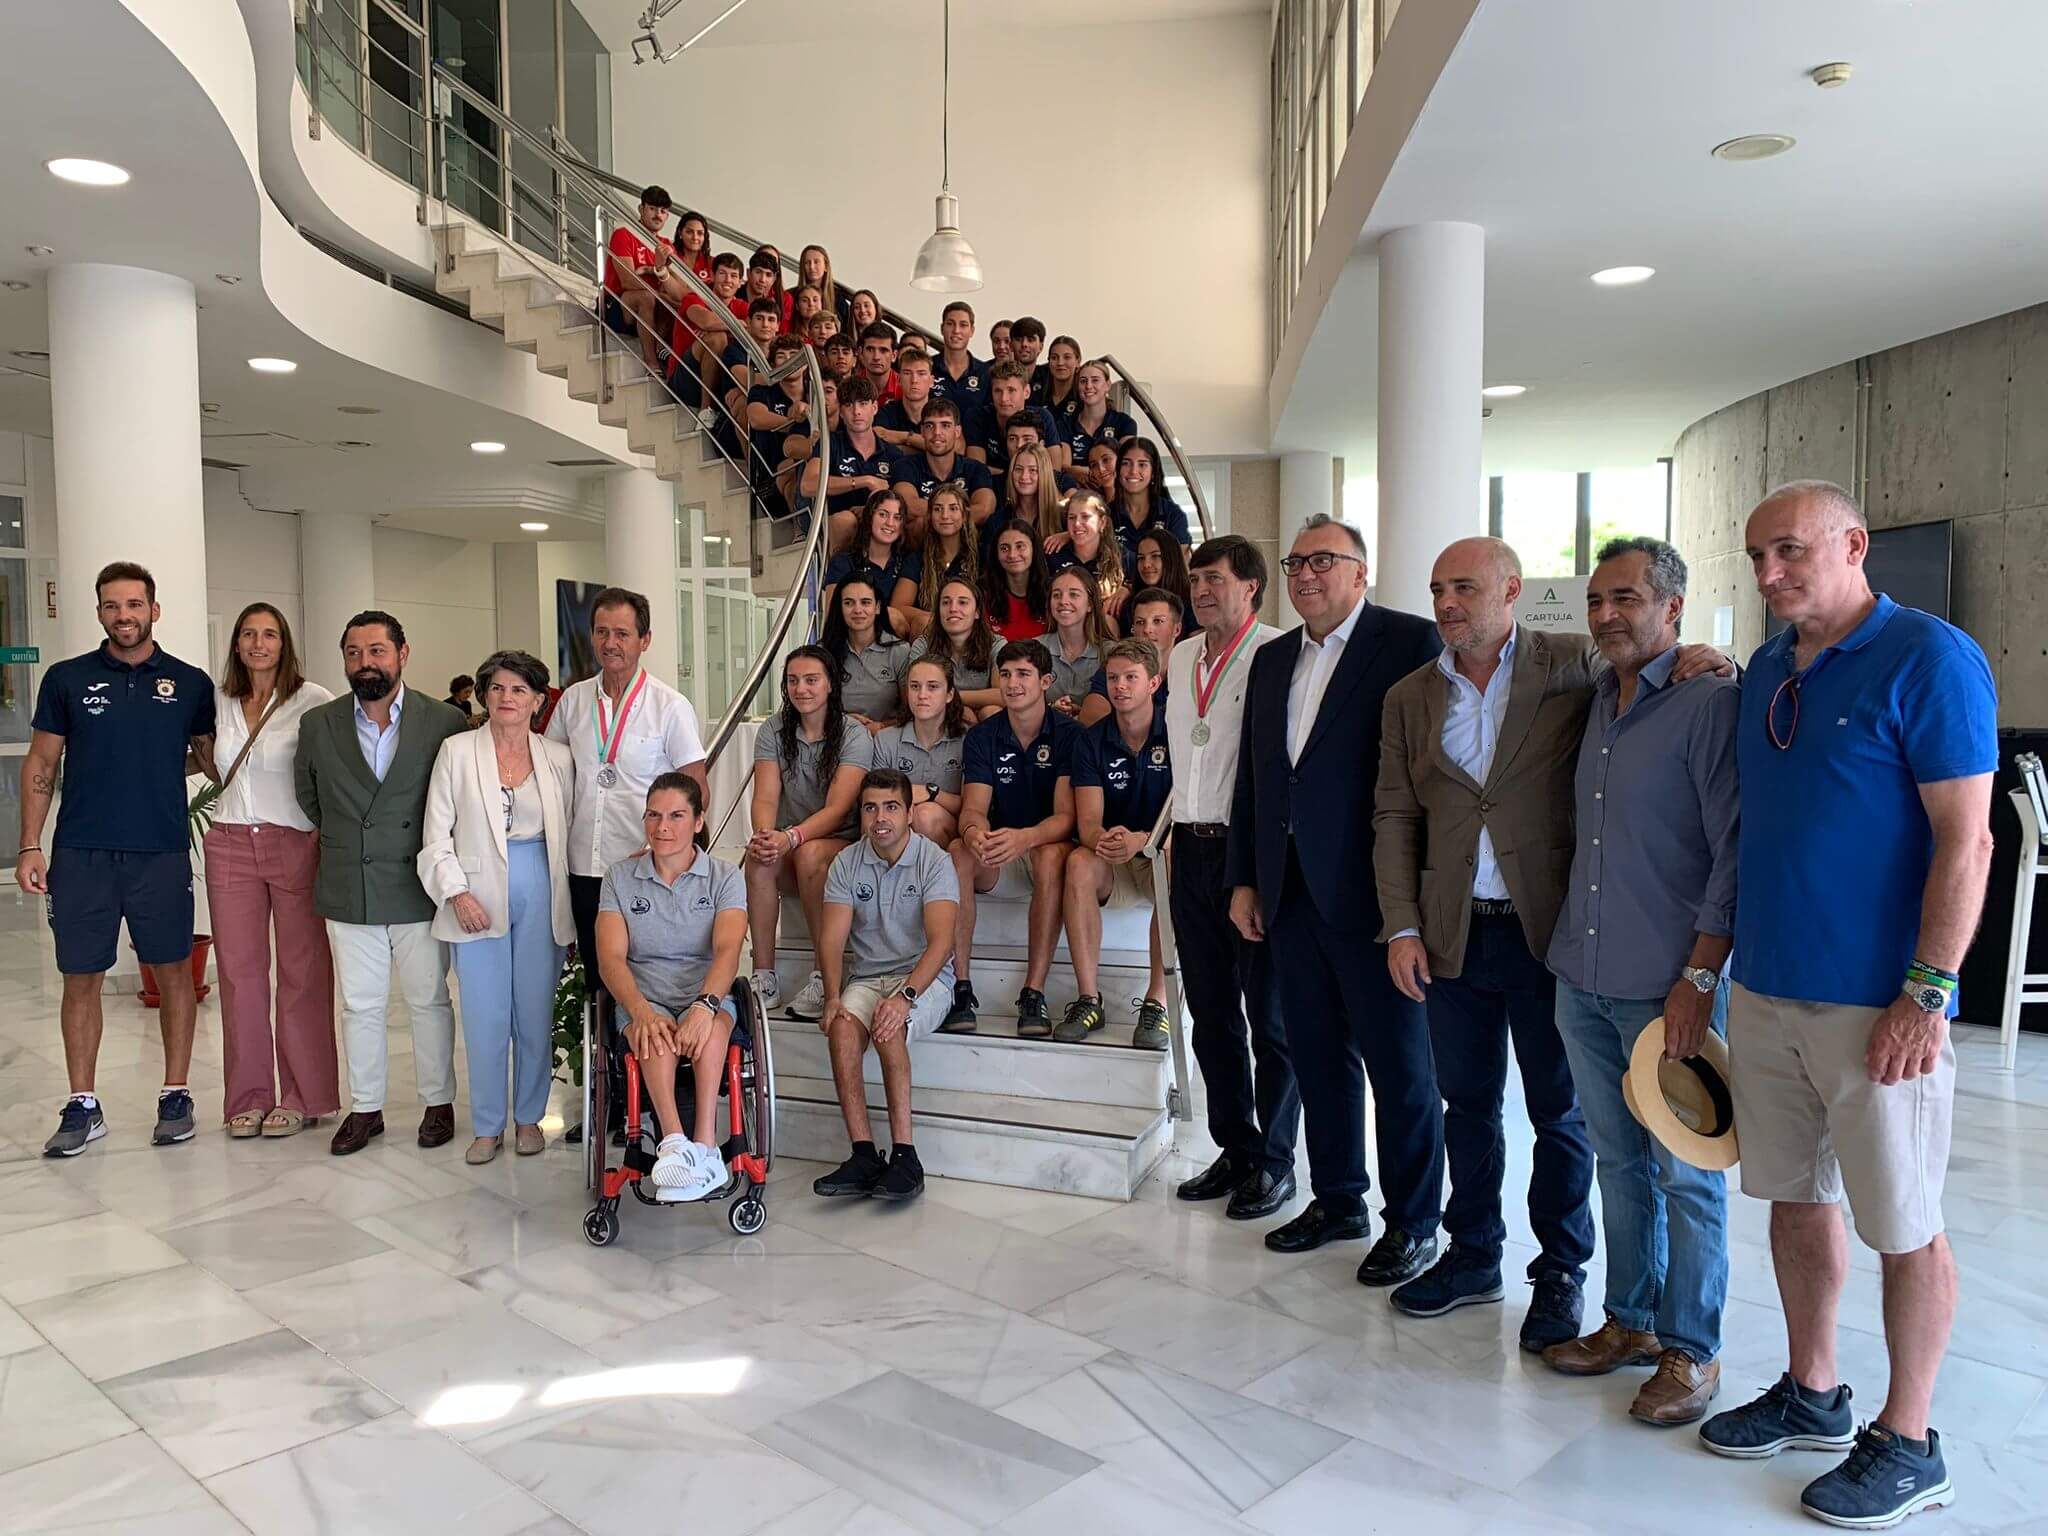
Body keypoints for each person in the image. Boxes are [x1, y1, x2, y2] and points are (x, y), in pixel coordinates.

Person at [1696, 482, 1994, 1531]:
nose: (1768, 575)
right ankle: (1811, 1390)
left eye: (1789, 552)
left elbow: (1967, 840)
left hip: (1875, 1006)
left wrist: (1926, 992)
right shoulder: (1767, 670)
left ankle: (1909, 1439)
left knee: (1903, 1223)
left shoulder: (1929, 657)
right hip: (1768, 990)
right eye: (1755, 557)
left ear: (1853, 544)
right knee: (1794, 1199)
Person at [1376, 536, 1729, 1342]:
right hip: (1449, 935)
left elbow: (1652, 675)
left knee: (1560, 1116)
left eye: (1464, 587)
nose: (1446, 604)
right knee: (1464, 1103)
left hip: (1551, 934)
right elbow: (1394, 815)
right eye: (1436, 589)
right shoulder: (1409, 697)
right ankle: (1471, 1255)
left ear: (1511, 591)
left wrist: (1712, 657)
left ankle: (1561, 1274)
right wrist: (1400, 924)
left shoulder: (1572, 663)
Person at [1542, 537, 1738, 1427]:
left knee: (1686, 1176)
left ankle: (1692, 1351)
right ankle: (1632, 1320)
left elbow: (1732, 855)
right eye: (1596, 600)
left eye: (1626, 598)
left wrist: (1700, 975)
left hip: (1671, 987)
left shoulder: (1709, 703)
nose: (1607, 614)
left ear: (1673, 607)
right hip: (1580, 973)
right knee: (1616, 1159)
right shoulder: (1597, 698)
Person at [1227, 516, 1445, 1276]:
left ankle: (1415, 1220)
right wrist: (1245, 877)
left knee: (1401, 1070)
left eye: (1325, 560)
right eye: (1296, 561)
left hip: (1378, 899)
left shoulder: (1410, 643)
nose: (1307, 573)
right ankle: (1341, 1198)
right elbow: (1256, 778)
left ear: (1361, 571)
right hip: (1288, 897)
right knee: (1316, 1058)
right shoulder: (1273, 657)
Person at [23, 562, 217, 1156]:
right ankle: (83, 1104)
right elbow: (40, 765)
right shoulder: (66, 678)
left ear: (154, 610)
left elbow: (211, 758)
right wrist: (31, 843)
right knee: (80, 976)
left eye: (135, 605)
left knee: (173, 974)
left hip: (159, 851)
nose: (124, 615)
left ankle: (176, 1094)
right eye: (112, 606)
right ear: (99, 611)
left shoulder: (189, 683)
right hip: (82, 853)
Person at [294, 611, 469, 1156]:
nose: (365, 662)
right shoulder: (318, 724)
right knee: (360, 1005)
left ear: (402, 654)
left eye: (376, 651)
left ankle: (438, 1103)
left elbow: (455, 802)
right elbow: (310, 798)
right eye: (353, 653)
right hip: (350, 882)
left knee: (428, 1001)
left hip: (417, 884)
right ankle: (365, 1108)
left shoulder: (444, 721)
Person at [1167, 537, 1297, 1218]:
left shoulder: (1280, 652)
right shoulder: (1182, 654)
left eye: (1215, 579)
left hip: (1249, 856)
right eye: (1195, 580)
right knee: (1210, 1015)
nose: (1202, 591)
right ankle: (1236, 1147)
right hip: (1189, 850)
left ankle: (1277, 1161)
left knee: (1269, 1017)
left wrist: (1253, 866)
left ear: (1251, 587)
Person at [420, 651, 575, 1164]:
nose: (507, 698)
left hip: (542, 890)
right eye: (498, 688)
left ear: (537, 700)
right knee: (485, 1018)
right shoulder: (457, 751)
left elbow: (572, 834)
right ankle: (487, 1126)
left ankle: (529, 1118)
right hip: (476, 895)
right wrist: (456, 893)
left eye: (519, 690)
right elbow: (435, 836)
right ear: (484, 696)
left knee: (534, 1015)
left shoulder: (557, 757)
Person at [206, 602, 337, 1139]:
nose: (259, 643)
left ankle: (305, 1096)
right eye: (248, 634)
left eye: (270, 634)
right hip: (231, 841)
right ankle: (249, 1096)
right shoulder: (217, 701)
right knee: (239, 977)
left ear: (285, 644)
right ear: (236, 644)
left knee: (302, 973)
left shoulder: (313, 700)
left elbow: (337, 766)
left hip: (293, 842)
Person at [596, 772, 748, 1203]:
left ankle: (704, 1145)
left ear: (699, 821)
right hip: (643, 994)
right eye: (654, 816)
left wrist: (704, 1005)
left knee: (713, 1030)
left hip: (705, 988)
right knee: (655, 1034)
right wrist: (641, 1010)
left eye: (677, 816)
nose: (663, 827)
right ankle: (675, 1144)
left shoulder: (723, 876)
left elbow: (727, 949)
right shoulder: (620, 878)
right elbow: (610, 958)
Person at [811, 769, 962, 1201]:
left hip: (924, 977)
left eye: (892, 807)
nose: (881, 817)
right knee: (842, 1028)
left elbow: (941, 942)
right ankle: (863, 1155)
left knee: (888, 1023)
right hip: (867, 976)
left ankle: (905, 1155)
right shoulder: (846, 862)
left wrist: (905, 997)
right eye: (871, 807)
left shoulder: (934, 861)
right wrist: (833, 997)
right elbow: (833, 937)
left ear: (910, 814)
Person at [546, 586, 707, 989]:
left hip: (644, 867)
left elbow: (696, 789)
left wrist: (672, 850)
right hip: (582, 865)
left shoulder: (669, 706)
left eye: (622, 633)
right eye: (602, 632)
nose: (610, 643)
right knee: (597, 984)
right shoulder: (572, 701)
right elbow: (551, 777)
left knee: (643, 983)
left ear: (644, 640)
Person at [944, 640, 1077, 1037]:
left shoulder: (1070, 735)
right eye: (1006, 675)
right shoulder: (983, 736)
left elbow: (1067, 818)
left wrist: (1026, 838)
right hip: (1002, 849)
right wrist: (973, 833)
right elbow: (973, 807)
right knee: (956, 851)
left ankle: (1033, 994)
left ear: (1045, 681)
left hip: (1043, 846)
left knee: (1051, 856)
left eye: (1023, 675)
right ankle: (960, 989)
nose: (1013, 684)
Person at [747, 646, 876, 1020]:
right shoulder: (773, 730)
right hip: (793, 838)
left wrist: (791, 838)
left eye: (811, 680)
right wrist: (766, 835)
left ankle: (824, 976)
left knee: (809, 853)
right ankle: (764, 977)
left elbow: (838, 810)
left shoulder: (853, 734)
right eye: (793, 680)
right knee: (758, 859)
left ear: (831, 684)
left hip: (843, 841)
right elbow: (766, 796)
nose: (801, 688)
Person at [1057, 638, 1171, 1051]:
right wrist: (1108, 840)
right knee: (1078, 862)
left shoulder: (1174, 730)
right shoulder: (1091, 741)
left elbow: (1190, 812)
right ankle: (1089, 999)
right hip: (1114, 856)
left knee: (1179, 857)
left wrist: (1145, 841)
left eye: (1130, 678)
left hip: (1158, 853)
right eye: (1113, 678)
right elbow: (1087, 823)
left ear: (1153, 683)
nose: (1120, 686)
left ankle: (1158, 1000)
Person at [873, 655, 970, 847]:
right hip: (895, 828)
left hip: (950, 833)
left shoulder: (969, 740)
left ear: (949, 694)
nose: (922, 695)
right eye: (915, 686)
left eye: (932, 687)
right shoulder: (885, 739)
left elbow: (972, 807)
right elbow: (875, 801)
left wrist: (930, 792)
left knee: (925, 815)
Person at [891, 398, 995, 540]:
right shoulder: (905, 466)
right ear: (921, 431)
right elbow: (908, 506)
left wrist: (943, 518)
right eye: (929, 426)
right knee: (920, 524)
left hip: (966, 547)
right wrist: (957, 513)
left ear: (957, 431)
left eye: (945, 425)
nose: (937, 432)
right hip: (919, 551)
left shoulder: (976, 469)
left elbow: (984, 510)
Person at [821, 574, 913, 732]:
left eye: (865, 602)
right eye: (849, 603)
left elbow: (912, 711)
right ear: (840, 608)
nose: (858, 610)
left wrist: (882, 726)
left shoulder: (900, 651)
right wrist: (842, 720)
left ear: (877, 607)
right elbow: (811, 707)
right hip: (837, 736)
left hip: (885, 739)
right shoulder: (824, 652)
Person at [806, 375, 896, 537]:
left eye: (863, 404)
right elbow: (808, 485)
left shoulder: (892, 453)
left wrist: (870, 510)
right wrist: (864, 481)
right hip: (838, 527)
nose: (856, 412)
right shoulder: (829, 444)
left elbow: (900, 500)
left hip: (882, 528)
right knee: (845, 520)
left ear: (874, 408)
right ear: (841, 412)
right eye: (849, 405)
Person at [822, 490, 921, 634]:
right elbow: (832, 616)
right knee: (893, 617)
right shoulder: (844, 561)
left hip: (899, 646)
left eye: (897, 517)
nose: (890, 523)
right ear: (869, 517)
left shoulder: (908, 560)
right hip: (854, 638)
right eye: (883, 514)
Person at [1077, 586, 1179, 728]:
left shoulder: (1190, 670)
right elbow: (1091, 716)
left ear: (1177, 629)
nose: (1147, 630)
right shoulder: (1116, 665)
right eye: (1140, 622)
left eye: (1158, 621)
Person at [910, 575, 1004, 717]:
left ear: (977, 612)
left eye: (962, 602)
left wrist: (954, 697)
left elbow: (1003, 694)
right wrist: (961, 710)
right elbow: (913, 693)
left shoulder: (996, 644)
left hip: (981, 719)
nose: (953, 608)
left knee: (992, 712)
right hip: (936, 715)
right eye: (946, 602)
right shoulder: (923, 644)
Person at [602, 184, 674, 367]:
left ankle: (661, 348)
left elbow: (675, 284)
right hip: (615, 306)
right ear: (641, 209)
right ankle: (651, 362)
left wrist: (648, 270)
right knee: (647, 297)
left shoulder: (666, 244)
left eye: (663, 211)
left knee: (677, 301)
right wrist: (658, 280)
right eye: (652, 208)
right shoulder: (624, 234)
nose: (658, 215)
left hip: (650, 309)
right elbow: (627, 280)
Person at [969, 362, 1064, 485]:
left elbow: (1054, 472)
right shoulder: (979, 416)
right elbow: (977, 471)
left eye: (1011, 390)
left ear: (1027, 392)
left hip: (1036, 489)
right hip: (992, 489)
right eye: (998, 391)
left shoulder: (1043, 417)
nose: (1004, 398)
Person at [1047, 490, 1131, 622]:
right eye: (1072, 517)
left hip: (1106, 633)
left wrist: (1127, 589)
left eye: (1085, 517)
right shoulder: (1053, 554)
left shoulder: (1122, 556)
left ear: (1102, 523)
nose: (1077, 523)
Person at [1043, 566, 1114, 712]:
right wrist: (1051, 709)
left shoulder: (1111, 652)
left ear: (1090, 604)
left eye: (1073, 595)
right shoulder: (1035, 647)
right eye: (1056, 595)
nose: (1063, 601)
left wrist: (1084, 713)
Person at [912, 481, 979, 631]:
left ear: (965, 516)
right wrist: (941, 619)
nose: (945, 515)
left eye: (953, 508)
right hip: (933, 630)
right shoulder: (919, 557)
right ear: (929, 516)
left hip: (973, 630)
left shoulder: (982, 555)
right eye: (937, 509)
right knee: (922, 622)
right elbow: (900, 605)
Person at [1111, 437, 1193, 554]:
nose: (1133, 471)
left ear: (1154, 472)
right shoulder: (1107, 514)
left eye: (1142, 464)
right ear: (1118, 470)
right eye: (1126, 463)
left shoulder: (1172, 515)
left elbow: (1180, 565)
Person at [983, 520, 1051, 642]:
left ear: (1034, 549)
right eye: (1004, 548)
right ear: (996, 554)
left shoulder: (1052, 594)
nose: (1012, 555)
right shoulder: (983, 594)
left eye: (1020, 546)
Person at [1061, 360, 1137, 467]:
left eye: (1095, 380)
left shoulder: (1125, 423)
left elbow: (1125, 464)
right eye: (1083, 381)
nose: (1088, 386)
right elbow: (1065, 467)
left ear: (1107, 385)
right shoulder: (1065, 423)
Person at [1133, 527, 1200, 640]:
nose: (1146, 564)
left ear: (1171, 558)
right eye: (1141, 558)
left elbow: (1198, 650)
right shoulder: (1129, 603)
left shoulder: (1192, 601)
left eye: (1155, 556)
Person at [930, 299, 990, 408]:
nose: (956, 330)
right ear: (942, 328)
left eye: (963, 325)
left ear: (972, 330)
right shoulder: (927, 368)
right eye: (950, 324)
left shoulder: (985, 373)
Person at [874, 348, 933, 451]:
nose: (914, 380)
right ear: (899, 379)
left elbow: (956, 447)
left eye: (921, 373)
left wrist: (904, 439)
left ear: (932, 381)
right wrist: (920, 442)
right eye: (907, 373)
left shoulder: (943, 411)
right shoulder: (886, 412)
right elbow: (877, 435)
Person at [1041, 334, 1083, 420]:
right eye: (1054, 357)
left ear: (1078, 361)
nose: (1060, 363)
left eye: (1067, 357)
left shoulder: (1084, 398)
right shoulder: (1038, 396)